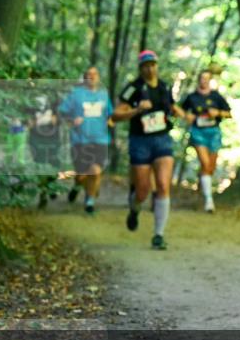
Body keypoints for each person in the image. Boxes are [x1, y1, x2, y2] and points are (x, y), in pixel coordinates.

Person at [112, 50, 185, 250]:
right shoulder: (132, 88)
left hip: (162, 140)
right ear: (141, 68)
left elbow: (172, 108)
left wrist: (177, 111)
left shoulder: (164, 87)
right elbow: (116, 115)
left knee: (162, 185)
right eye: (146, 65)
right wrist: (136, 110)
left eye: (153, 64)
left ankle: (158, 235)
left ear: (157, 66)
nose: (150, 68)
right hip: (140, 141)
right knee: (143, 191)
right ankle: (135, 208)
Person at [59, 66, 113, 214]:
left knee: (95, 171)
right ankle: (77, 186)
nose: (92, 76)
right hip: (80, 140)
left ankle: (89, 202)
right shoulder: (76, 94)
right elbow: (62, 113)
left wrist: (111, 122)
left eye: (95, 74)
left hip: (101, 140)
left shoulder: (103, 95)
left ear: (99, 77)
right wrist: (71, 120)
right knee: (82, 175)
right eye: (88, 74)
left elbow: (111, 115)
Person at [180, 69, 231, 212]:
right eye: (202, 78)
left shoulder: (216, 96)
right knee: (205, 163)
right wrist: (186, 116)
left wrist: (218, 113)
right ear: (199, 80)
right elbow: (179, 110)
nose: (204, 81)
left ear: (210, 80)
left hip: (214, 133)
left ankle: (201, 189)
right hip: (198, 132)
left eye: (207, 78)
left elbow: (228, 113)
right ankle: (209, 201)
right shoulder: (192, 97)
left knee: (210, 168)